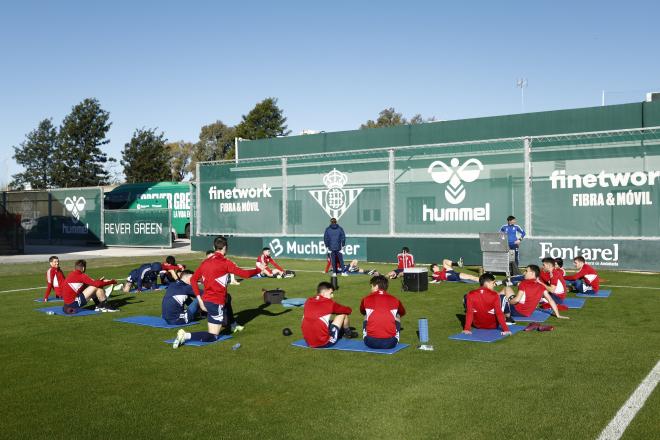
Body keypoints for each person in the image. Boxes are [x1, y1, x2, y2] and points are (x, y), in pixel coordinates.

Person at [172, 236, 263, 348]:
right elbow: (245, 274)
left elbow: (193, 280)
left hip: (206, 301)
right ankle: (185, 335)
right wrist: (259, 270)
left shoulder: (205, 262)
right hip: (216, 302)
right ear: (225, 248)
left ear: (213, 247)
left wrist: (199, 300)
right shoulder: (225, 262)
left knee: (214, 327)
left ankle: (232, 324)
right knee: (213, 336)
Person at [301, 281, 358, 348]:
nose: (332, 296)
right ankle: (348, 333)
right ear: (325, 292)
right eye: (331, 293)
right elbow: (348, 311)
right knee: (343, 314)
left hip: (308, 342)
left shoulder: (308, 301)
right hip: (324, 343)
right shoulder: (329, 303)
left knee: (311, 317)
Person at [503, 265, 569, 320]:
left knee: (501, 298)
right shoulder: (541, 286)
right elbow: (550, 300)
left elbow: (516, 300)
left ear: (532, 273)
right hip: (527, 313)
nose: (524, 273)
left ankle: (502, 313)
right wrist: (558, 315)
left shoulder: (523, 283)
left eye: (526, 271)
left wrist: (508, 302)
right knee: (507, 288)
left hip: (517, 311)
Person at [360, 275, 406, 349]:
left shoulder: (366, 299)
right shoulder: (395, 299)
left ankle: (367, 333)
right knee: (397, 314)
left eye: (372, 286)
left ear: (376, 286)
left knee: (366, 314)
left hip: (370, 342)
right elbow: (402, 312)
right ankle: (395, 334)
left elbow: (362, 311)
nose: (371, 288)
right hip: (390, 343)